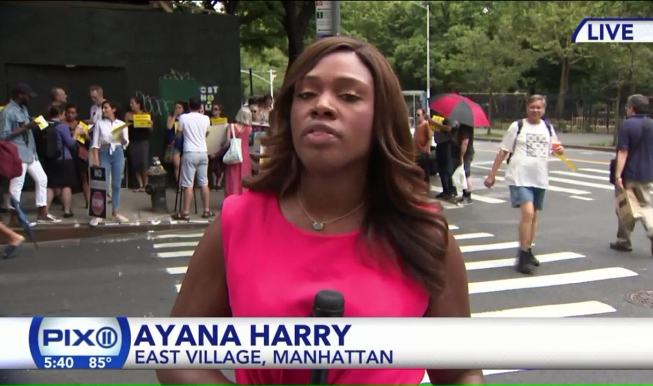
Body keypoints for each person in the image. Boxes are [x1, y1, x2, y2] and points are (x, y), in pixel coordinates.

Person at [156, 36, 483, 385]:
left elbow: (460, 370)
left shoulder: (425, 231)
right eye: (307, 93)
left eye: (349, 95)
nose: (322, 106)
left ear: (381, 119)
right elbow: (177, 356)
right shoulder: (238, 221)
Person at [484, 95, 565, 274]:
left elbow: (557, 149)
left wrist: (560, 151)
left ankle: (528, 250)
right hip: (519, 176)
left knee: (534, 216)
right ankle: (522, 256)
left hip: (539, 177)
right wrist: (492, 174)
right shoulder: (517, 126)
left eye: (539, 108)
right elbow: (503, 151)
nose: (535, 110)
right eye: (532, 107)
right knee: (527, 212)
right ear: (527, 108)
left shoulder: (548, 128)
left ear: (543, 110)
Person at [611, 94, 653, 257]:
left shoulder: (627, 125)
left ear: (632, 108)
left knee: (624, 207)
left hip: (630, 173)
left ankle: (624, 240)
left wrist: (618, 174)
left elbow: (623, 151)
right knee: (644, 204)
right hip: (647, 173)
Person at [0, 83, 60, 224]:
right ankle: (14, 216)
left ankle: (42, 212)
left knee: (42, 179)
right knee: (17, 185)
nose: (30, 98)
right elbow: (3, 135)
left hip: (30, 152)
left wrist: (32, 122)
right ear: (20, 95)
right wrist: (27, 126)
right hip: (18, 153)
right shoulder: (8, 112)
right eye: (27, 95)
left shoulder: (23, 108)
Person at [172, 97, 213, 219]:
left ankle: (185, 212)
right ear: (200, 107)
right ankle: (206, 210)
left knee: (188, 184)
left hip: (189, 152)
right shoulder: (206, 118)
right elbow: (207, 133)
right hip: (202, 152)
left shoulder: (184, 118)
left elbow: (179, 135)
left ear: (189, 106)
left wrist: (177, 147)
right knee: (204, 182)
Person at [89, 101, 129, 226]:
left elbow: (125, 143)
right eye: (103, 108)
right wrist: (95, 158)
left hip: (117, 152)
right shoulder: (99, 123)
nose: (104, 110)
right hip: (104, 152)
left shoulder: (122, 124)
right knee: (102, 184)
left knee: (116, 184)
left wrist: (122, 136)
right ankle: (98, 214)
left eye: (106, 108)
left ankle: (115, 212)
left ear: (113, 109)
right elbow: (95, 143)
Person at [44, 105, 81, 217]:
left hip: (49, 159)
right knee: (66, 185)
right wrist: (76, 134)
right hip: (64, 159)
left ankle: (44, 211)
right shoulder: (62, 127)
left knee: (50, 186)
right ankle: (67, 211)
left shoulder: (45, 125)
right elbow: (70, 143)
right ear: (61, 114)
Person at [216, 107, 252, 197]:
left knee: (232, 177)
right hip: (245, 156)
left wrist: (219, 150)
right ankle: (243, 197)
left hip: (234, 153)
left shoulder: (231, 126)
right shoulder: (249, 129)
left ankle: (232, 196)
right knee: (244, 175)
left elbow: (227, 142)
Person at [125, 96, 153, 192]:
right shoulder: (128, 115)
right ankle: (139, 184)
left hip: (143, 141)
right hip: (133, 141)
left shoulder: (146, 114)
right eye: (130, 103)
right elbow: (125, 128)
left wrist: (150, 124)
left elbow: (150, 130)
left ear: (138, 104)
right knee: (135, 163)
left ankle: (146, 184)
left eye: (133, 103)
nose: (131, 105)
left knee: (143, 163)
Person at [454, 123, 474, 205]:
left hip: (466, 153)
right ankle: (464, 194)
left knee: (466, 173)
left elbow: (465, 142)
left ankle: (468, 197)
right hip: (466, 153)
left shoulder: (465, 127)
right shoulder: (464, 126)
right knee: (464, 173)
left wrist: (461, 156)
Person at [413, 108, 432, 185]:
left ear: (423, 115)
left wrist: (425, 148)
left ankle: (426, 185)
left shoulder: (426, 124)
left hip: (423, 152)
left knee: (424, 170)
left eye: (418, 115)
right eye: (416, 115)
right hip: (416, 151)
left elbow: (430, 138)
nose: (417, 117)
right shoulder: (418, 126)